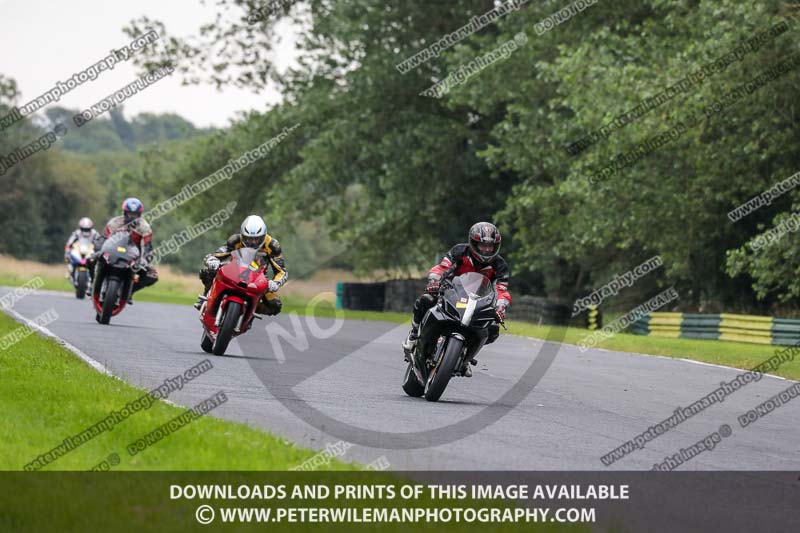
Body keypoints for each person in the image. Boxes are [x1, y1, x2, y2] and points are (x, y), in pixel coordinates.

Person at [402, 222, 511, 376]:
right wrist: (434, 281)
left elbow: (502, 290)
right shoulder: (460, 251)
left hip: (479, 301)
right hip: (450, 292)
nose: (487, 249)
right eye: (483, 245)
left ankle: (465, 356)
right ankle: (414, 335)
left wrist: (500, 307)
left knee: (493, 329)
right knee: (426, 299)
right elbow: (441, 268)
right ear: (473, 243)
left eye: (490, 246)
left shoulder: (500, 265)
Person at [195, 215, 287, 315]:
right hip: (234, 272)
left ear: (264, 236)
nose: (253, 242)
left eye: (257, 239)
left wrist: (275, 283)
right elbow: (218, 254)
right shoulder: (235, 240)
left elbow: (281, 271)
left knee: (275, 305)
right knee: (207, 272)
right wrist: (212, 260)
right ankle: (205, 297)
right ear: (242, 235)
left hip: (258, 279)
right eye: (249, 239)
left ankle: (252, 309)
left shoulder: (272, 246)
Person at [93, 197, 159, 301]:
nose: (132, 217)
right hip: (112, 254)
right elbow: (104, 238)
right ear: (125, 212)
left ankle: (128, 291)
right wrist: (98, 247)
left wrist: (146, 258)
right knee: (90, 260)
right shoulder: (114, 223)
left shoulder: (145, 227)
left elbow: (148, 245)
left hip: (133, 258)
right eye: (130, 214)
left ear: (139, 214)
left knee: (152, 275)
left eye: (135, 214)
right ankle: (93, 285)